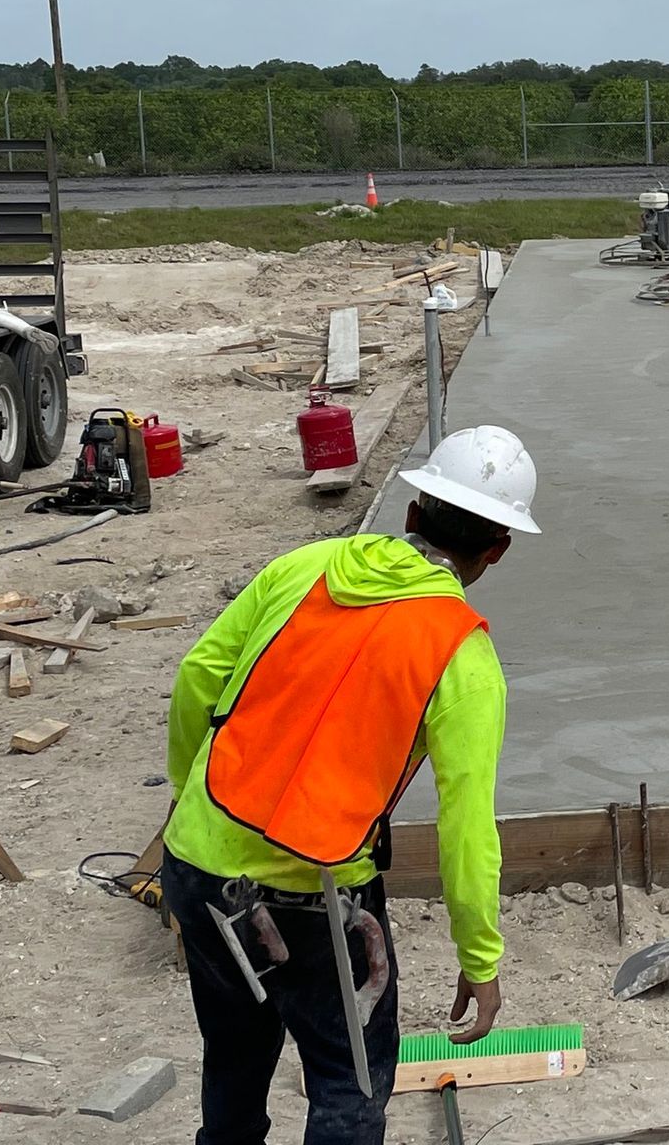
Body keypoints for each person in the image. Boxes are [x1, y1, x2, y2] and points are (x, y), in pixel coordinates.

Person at [161, 426, 542, 1145]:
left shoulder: (304, 567)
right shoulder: (462, 653)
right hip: (318, 904)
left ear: (411, 512)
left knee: (236, 1059)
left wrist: (192, 796)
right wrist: (480, 959)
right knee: (349, 1080)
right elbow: (467, 828)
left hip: (199, 869)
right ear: (499, 550)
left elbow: (197, 679)